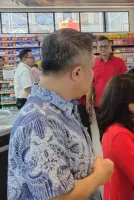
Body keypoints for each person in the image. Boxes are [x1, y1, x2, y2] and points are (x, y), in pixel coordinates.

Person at [8, 28, 114, 200]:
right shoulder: (39, 122)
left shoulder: (61, 108)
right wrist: (99, 176)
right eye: (92, 68)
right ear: (77, 73)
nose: (93, 74)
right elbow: (58, 197)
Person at [86, 36, 127, 114]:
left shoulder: (120, 62)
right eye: (101, 47)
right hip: (99, 104)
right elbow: (90, 84)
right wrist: (88, 101)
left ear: (110, 46)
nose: (103, 49)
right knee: (101, 126)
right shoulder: (93, 63)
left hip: (116, 104)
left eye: (106, 46)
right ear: (97, 48)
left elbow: (126, 84)